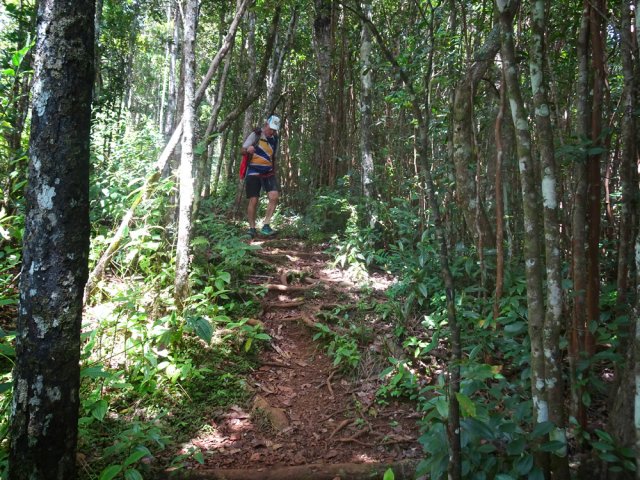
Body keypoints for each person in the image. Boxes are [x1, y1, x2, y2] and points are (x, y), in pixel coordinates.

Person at [242, 114, 281, 238]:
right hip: (253, 171)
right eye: (271, 129)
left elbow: (273, 156)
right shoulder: (256, 135)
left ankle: (266, 225)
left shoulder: (275, 139)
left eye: (275, 130)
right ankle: (252, 228)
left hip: (268, 172)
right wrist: (248, 149)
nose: (272, 132)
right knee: (253, 200)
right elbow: (242, 150)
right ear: (266, 125)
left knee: (274, 196)